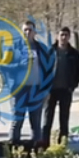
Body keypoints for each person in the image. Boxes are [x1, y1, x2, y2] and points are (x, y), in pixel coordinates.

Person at [10, 19, 46, 150]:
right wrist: (19, 65)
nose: (27, 32)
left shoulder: (40, 48)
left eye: (30, 30)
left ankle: (36, 150)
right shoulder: (15, 47)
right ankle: (13, 148)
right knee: (17, 121)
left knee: (36, 123)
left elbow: (47, 69)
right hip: (19, 90)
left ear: (34, 32)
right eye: (24, 30)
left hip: (35, 90)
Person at [44, 26, 79, 146]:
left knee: (64, 119)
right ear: (57, 36)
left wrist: (72, 86)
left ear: (69, 37)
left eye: (66, 35)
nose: (63, 37)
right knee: (47, 119)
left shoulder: (73, 53)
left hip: (66, 90)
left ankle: (62, 144)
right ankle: (44, 144)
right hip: (51, 90)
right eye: (61, 35)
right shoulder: (50, 51)